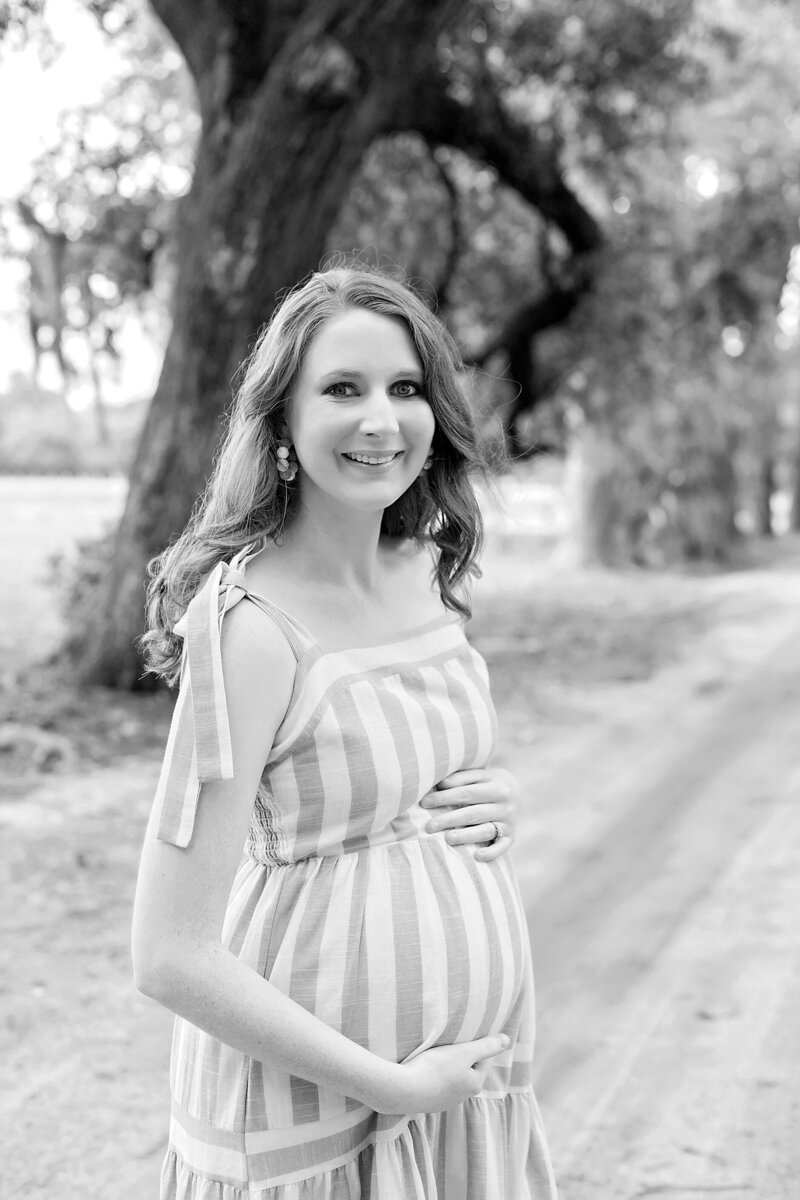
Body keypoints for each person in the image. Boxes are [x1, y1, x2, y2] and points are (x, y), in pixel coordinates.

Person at [132, 266, 557, 1199]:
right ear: (280, 426)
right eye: (342, 389)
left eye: (406, 388)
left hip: (462, 1100)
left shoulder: (425, 571)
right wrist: (395, 1086)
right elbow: (169, 952)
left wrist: (497, 797)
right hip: (321, 1119)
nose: (382, 420)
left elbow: (392, 772)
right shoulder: (249, 628)